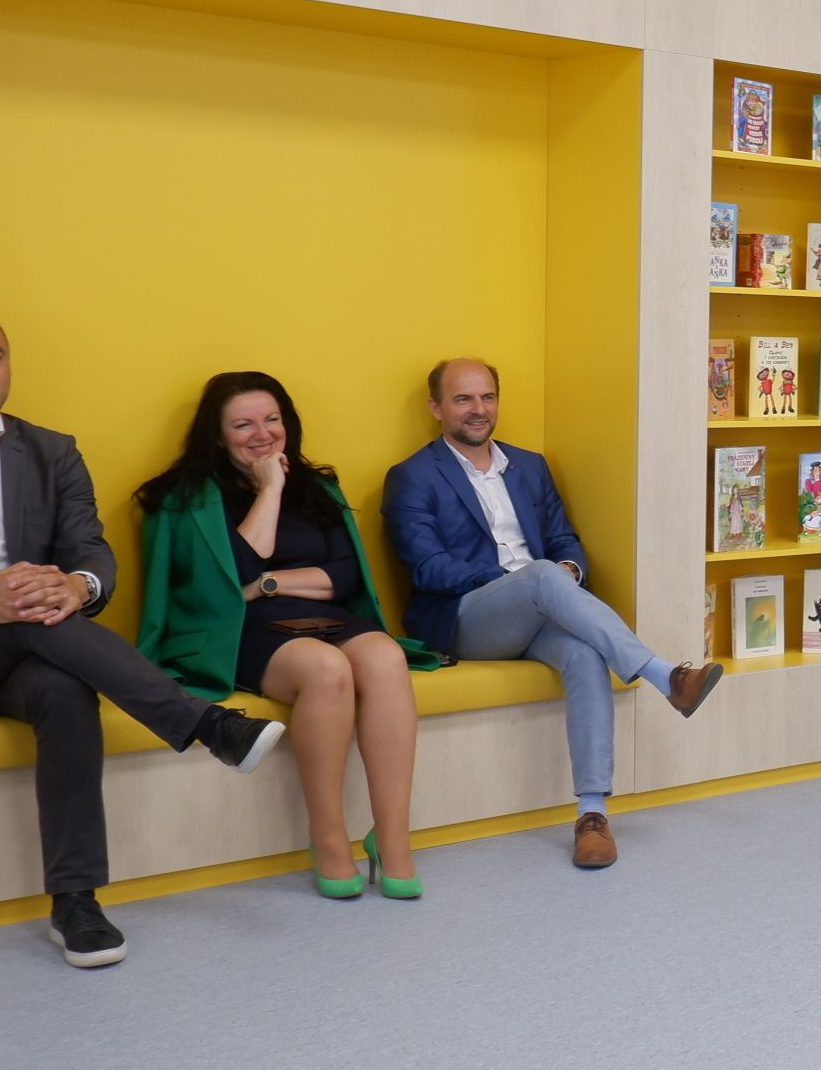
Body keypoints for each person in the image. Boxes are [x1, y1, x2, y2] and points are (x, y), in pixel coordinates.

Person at [0, 302, 285, 968]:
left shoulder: (52, 451)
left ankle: (76, 904)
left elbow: (91, 551)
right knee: (31, 615)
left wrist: (79, 588)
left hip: (28, 648)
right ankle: (208, 725)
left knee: (64, 687)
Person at [382, 358, 720, 869]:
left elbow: (565, 540)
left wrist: (567, 571)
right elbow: (428, 568)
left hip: (538, 609)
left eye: (487, 397)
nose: (478, 409)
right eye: (463, 399)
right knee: (539, 575)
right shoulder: (412, 476)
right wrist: (523, 583)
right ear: (436, 407)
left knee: (583, 652)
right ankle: (664, 675)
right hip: (465, 619)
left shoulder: (530, 466)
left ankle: (592, 815)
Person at [137, 373, 439, 901]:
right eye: (243, 424)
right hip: (241, 630)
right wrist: (271, 489)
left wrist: (269, 584)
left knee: (386, 658)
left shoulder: (318, 487)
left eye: (271, 419)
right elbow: (233, 575)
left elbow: (344, 574)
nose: (262, 434)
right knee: (327, 669)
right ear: (217, 435)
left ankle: (392, 837)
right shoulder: (186, 499)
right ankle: (328, 838)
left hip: (322, 616)